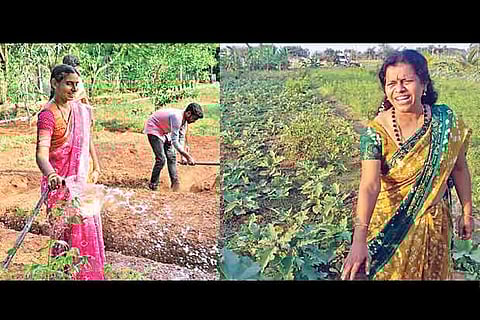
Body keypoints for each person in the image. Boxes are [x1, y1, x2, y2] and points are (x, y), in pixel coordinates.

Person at [341, 49, 473, 280]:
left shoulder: (445, 122)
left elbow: (459, 168)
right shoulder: (375, 132)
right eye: (391, 83)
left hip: (434, 228)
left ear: (423, 84)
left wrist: (467, 211)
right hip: (390, 229)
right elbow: (369, 186)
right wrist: (358, 240)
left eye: (407, 81)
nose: (399, 89)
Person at [36, 64, 104, 280]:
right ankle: (62, 275)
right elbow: (41, 154)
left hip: (80, 182)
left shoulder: (80, 110)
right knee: (63, 235)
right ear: (55, 83)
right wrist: (52, 175)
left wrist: (97, 164)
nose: (74, 89)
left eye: (76, 84)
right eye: (68, 84)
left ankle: (85, 274)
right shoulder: (47, 116)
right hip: (59, 185)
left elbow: (87, 137)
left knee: (86, 226)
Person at [143, 103, 203, 191]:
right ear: (188, 113)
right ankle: (153, 184)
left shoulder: (184, 122)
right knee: (161, 159)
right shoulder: (177, 118)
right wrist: (188, 156)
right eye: (194, 118)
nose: (194, 121)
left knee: (172, 157)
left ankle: (175, 184)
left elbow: (181, 138)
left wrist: (183, 157)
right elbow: (175, 142)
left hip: (164, 130)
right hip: (154, 128)